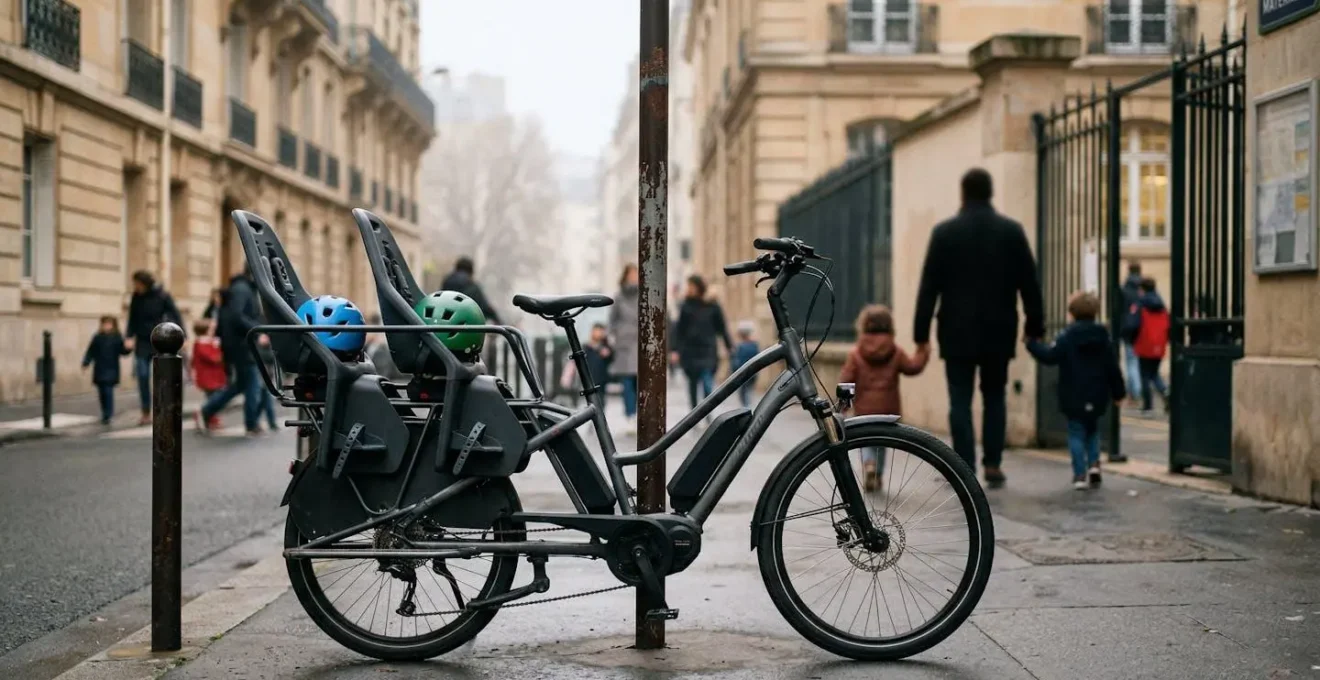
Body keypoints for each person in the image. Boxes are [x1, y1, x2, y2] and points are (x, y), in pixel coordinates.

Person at [913, 168, 1045, 488]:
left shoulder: (944, 233)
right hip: (999, 329)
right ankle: (994, 463)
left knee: (960, 399)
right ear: (990, 193)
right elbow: (1030, 284)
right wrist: (1034, 325)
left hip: (956, 329)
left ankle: (963, 466)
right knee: (994, 396)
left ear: (963, 193)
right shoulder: (1011, 232)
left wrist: (921, 337)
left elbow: (929, 287)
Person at [1026, 292, 1126, 490]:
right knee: (1092, 430)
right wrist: (1118, 393)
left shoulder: (1067, 336)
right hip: (1097, 393)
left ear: (1072, 314)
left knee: (1076, 432)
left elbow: (1049, 356)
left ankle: (1080, 474)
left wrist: (1032, 344)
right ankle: (1095, 465)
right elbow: (1112, 367)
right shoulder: (1103, 336)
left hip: (1073, 393)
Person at [839, 305, 930, 491]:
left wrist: (843, 407)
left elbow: (846, 380)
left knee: (866, 442)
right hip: (888, 409)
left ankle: (869, 465)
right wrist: (923, 351)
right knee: (882, 443)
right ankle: (878, 474)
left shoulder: (856, 354)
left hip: (864, 409)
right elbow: (912, 367)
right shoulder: (895, 351)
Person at [198, 267, 266, 435]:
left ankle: (207, 410)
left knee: (240, 385)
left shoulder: (240, 288)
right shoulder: (242, 289)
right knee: (253, 384)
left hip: (236, 344)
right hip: (242, 345)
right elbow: (236, 316)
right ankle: (251, 424)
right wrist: (257, 330)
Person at [125, 270, 183, 425]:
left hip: (160, 340)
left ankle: (162, 408)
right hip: (142, 342)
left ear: (145, 283)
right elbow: (132, 318)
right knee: (142, 375)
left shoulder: (162, 295)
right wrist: (129, 336)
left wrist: (182, 335)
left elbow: (175, 315)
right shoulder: (136, 297)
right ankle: (145, 411)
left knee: (161, 377)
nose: (135, 287)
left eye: (137, 284)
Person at [671, 275, 733, 411]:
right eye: (688, 286)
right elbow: (679, 329)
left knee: (707, 382)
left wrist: (729, 346)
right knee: (692, 384)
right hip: (690, 351)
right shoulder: (685, 305)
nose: (689, 289)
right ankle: (694, 412)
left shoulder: (712, 305)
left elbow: (722, 327)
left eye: (692, 286)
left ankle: (706, 410)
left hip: (707, 349)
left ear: (699, 287)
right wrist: (674, 350)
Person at [608, 264, 640, 433]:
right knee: (627, 383)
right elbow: (612, 321)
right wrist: (613, 337)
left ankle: (638, 415)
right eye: (631, 274)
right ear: (625, 276)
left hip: (640, 343)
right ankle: (630, 416)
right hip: (624, 346)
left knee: (639, 383)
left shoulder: (644, 295)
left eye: (636, 273)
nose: (633, 277)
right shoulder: (618, 297)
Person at [1132, 277, 1171, 415]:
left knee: (1144, 375)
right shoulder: (1162, 305)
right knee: (1154, 373)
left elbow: (1134, 324)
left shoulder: (1141, 304)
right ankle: (1165, 391)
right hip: (1159, 343)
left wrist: (1131, 339)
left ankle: (1148, 405)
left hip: (1144, 343)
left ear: (1142, 289)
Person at [81, 316, 130, 425]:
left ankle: (108, 414)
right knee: (101, 392)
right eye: (105, 324)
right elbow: (91, 351)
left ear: (113, 325)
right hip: (99, 368)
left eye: (109, 324)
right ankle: (105, 412)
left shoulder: (117, 337)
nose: (106, 326)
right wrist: (86, 362)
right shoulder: (97, 337)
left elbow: (123, 351)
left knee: (108, 391)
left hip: (111, 368)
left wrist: (128, 348)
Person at [189, 319, 227, 429]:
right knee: (214, 398)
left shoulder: (207, 342)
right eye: (211, 329)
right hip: (208, 376)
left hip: (214, 375)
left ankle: (210, 418)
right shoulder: (202, 343)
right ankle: (207, 415)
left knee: (213, 397)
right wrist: (218, 348)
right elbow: (214, 358)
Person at [441, 256, 500, 324]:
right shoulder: (473, 287)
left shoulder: (447, 282)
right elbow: (487, 308)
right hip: (466, 326)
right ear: (471, 271)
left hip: (445, 325)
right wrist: (499, 322)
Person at [1118, 262, 1145, 407]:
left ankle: (1135, 392)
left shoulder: (1125, 289)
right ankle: (1133, 392)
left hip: (1128, 330)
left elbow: (1119, 310)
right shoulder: (1143, 289)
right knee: (1137, 362)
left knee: (1131, 362)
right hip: (1143, 330)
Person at [364, 314, 404, 381]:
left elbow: (383, 374)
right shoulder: (367, 347)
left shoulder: (381, 351)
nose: (365, 334)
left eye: (367, 331)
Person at [731, 321, 760, 408]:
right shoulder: (755, 345)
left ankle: (746, 407)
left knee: (743, 392)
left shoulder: (740, 346)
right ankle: (748, 405)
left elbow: (737, 361)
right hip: (753, 372)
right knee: (749, 390)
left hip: (742, 373)